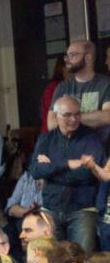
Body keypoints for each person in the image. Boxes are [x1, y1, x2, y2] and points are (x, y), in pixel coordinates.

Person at [29, 97, 105, 252]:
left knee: (82, 260)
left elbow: (88, 174)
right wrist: (67, 164)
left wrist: (50, 170)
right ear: (56, 116)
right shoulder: (46, 139)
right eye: (68, 115)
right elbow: (35, 171)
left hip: (82, 209)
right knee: (50, 260)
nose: (73, 119)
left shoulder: (91, 138)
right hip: (51, 208)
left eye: (77, 114)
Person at [45, 41, 110, 139]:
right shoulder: (62, 87)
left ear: (88, 57)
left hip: (100, 149)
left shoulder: (105, 83)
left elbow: (107, 116)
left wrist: (66, 119)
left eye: (72, 55)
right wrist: (93, 117)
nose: (67, 59)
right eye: (66, 56)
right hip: (68, 150)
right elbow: (51, 124)